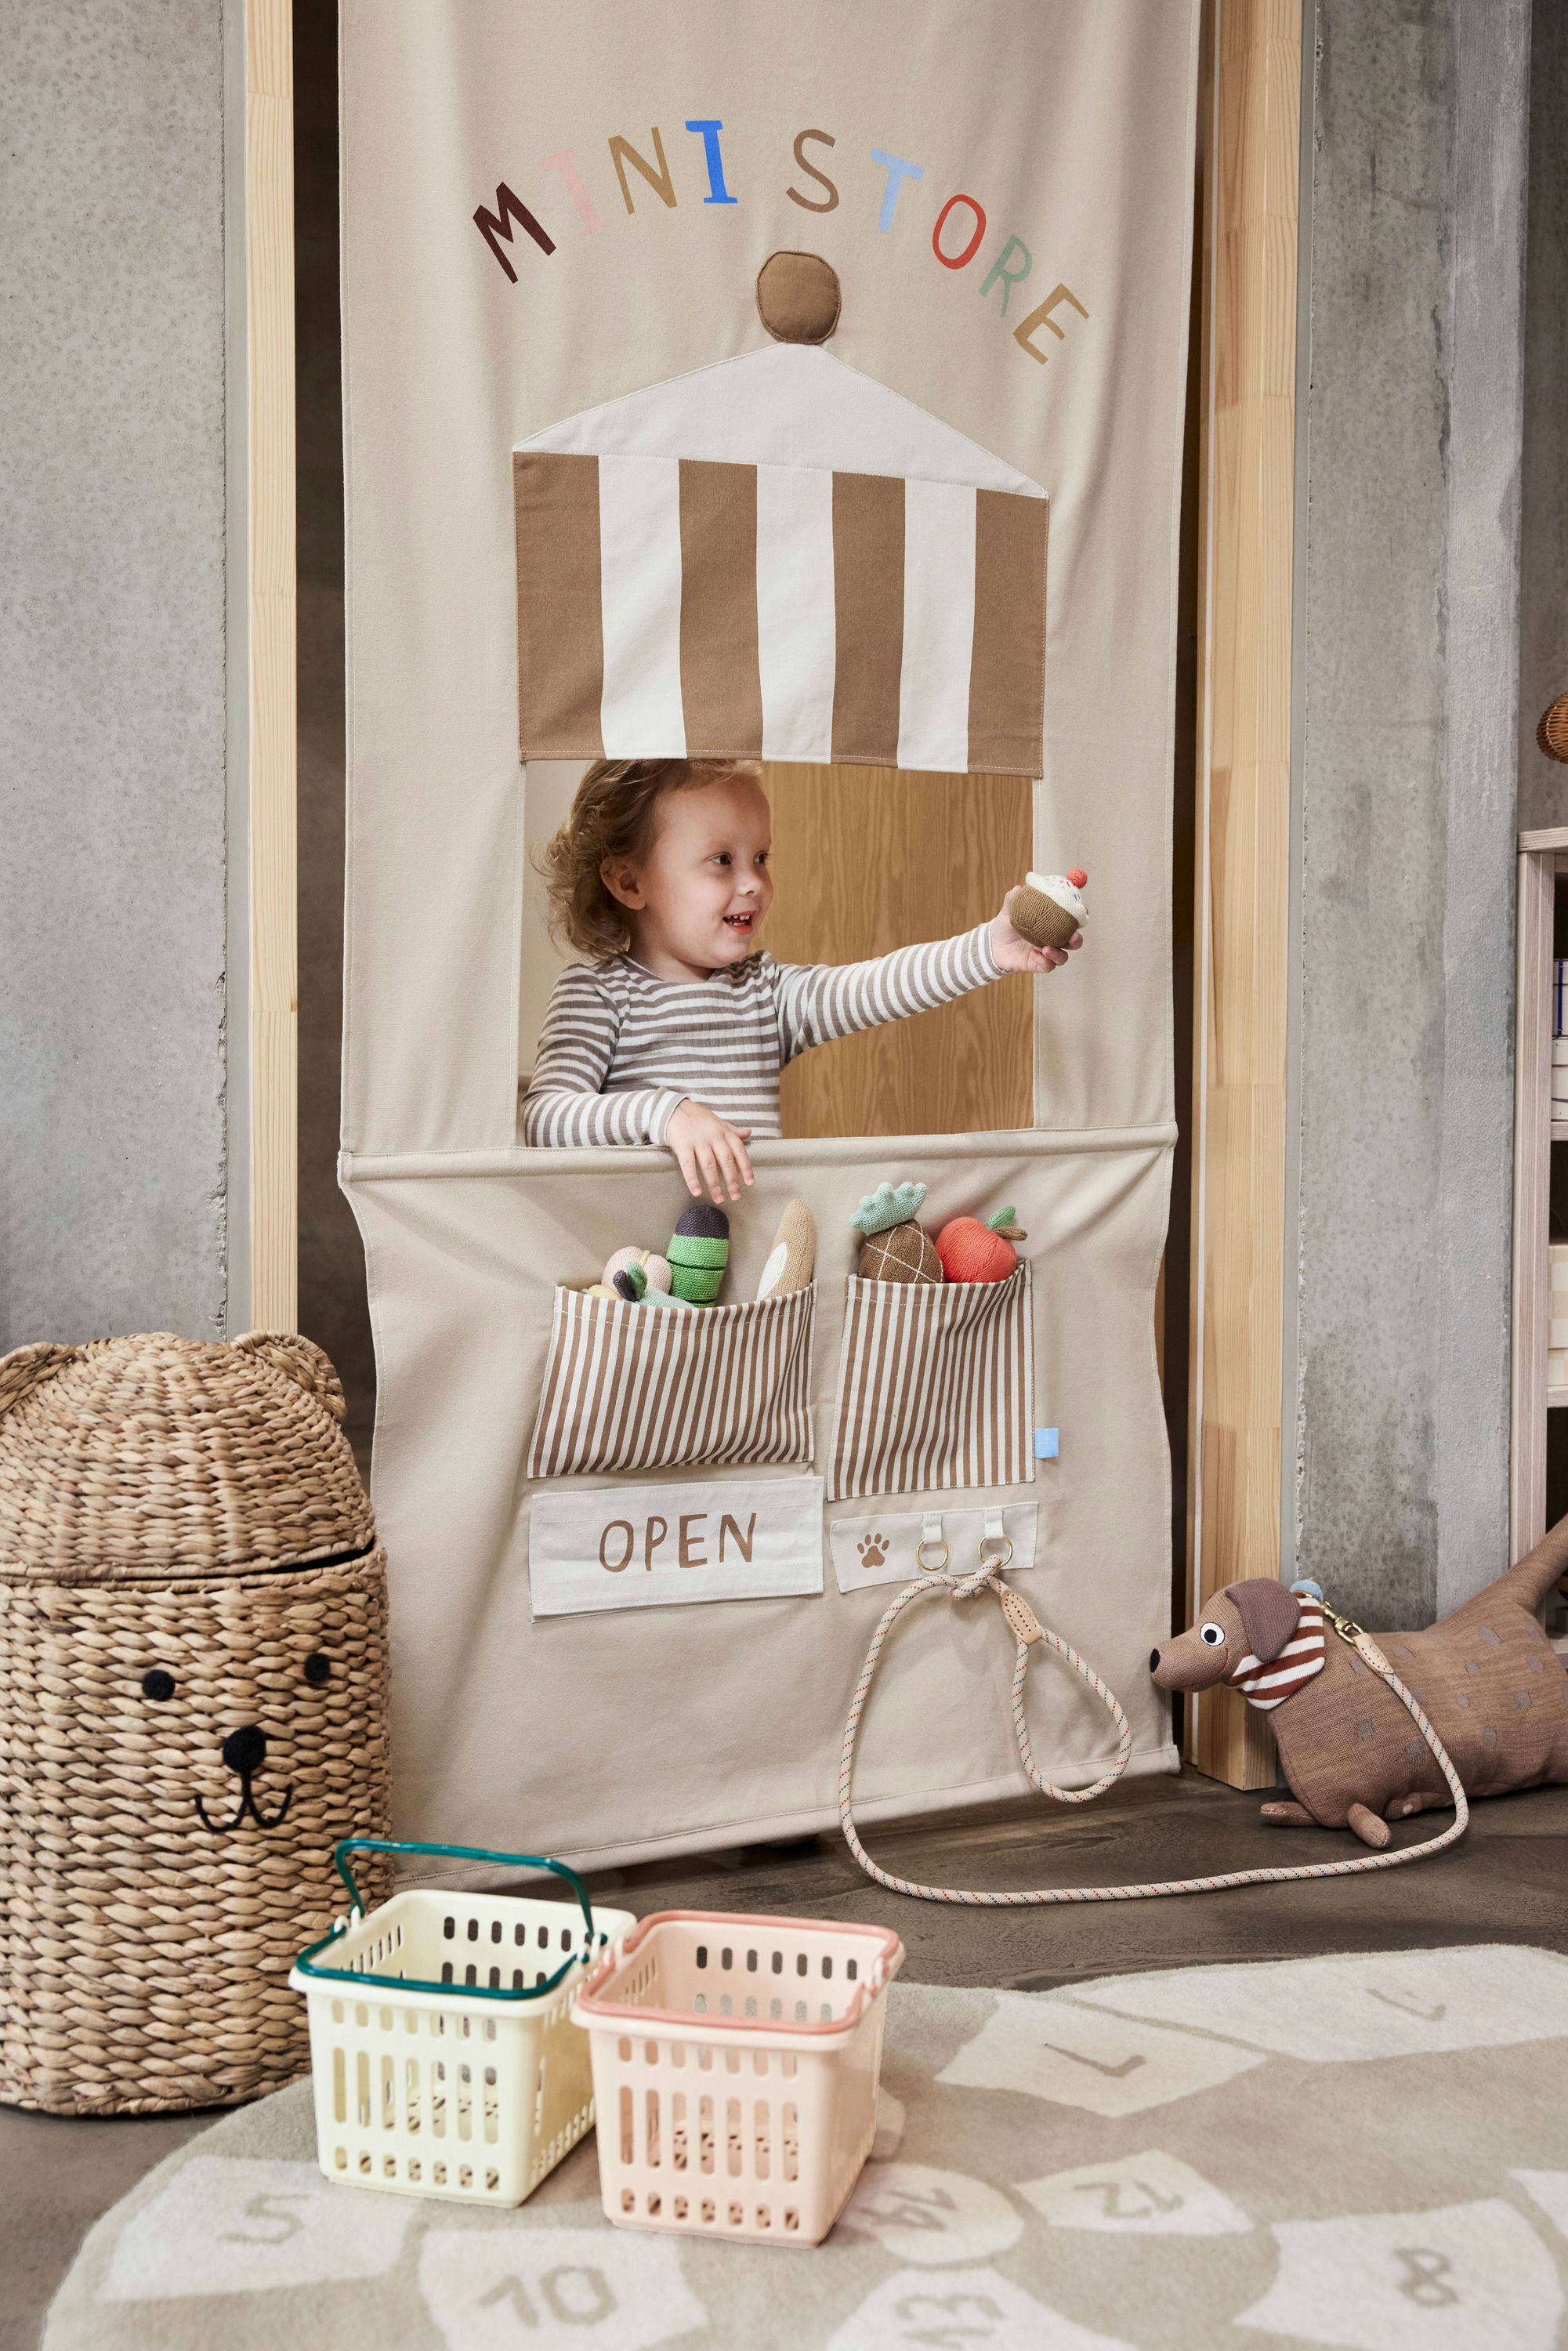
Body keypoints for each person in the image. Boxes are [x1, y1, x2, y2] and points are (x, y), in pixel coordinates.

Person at [523, 757, 1081, 1204]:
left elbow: (872, 987)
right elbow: (544, 1119)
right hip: (642, 1274)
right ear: (629, 882)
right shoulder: (595, 996)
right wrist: (664, 1113)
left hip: (755, 1265)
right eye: (722, 859)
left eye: (761, 857)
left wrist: (987, 948)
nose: (752, 883)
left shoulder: (765, 993)